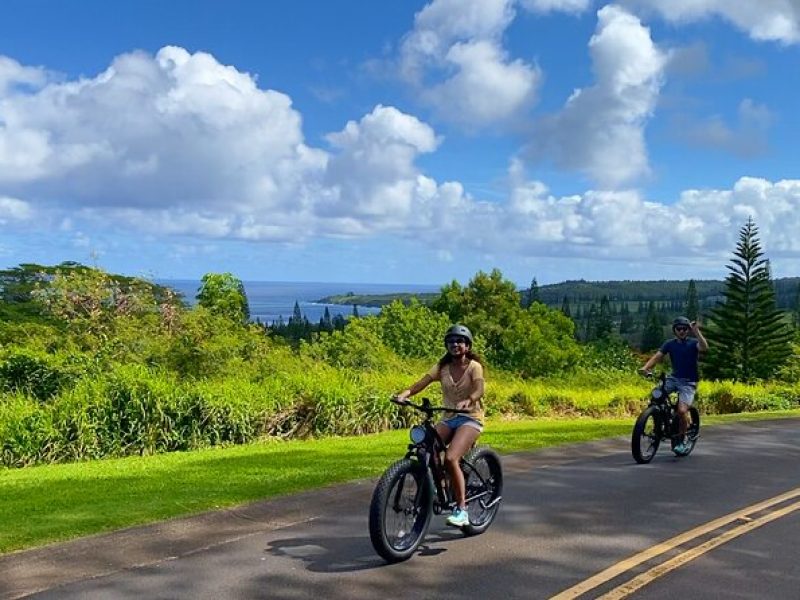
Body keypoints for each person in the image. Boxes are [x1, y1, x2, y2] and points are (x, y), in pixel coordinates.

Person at [393, 324, 485, 527]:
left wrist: (469, 400)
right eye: (451, 341)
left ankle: (462, 509)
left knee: (451, 457)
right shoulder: (442, 367)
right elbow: (420, 383)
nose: (455, 345)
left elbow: (479, 389)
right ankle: (440, 487)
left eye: (460, 341)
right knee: (426, 449)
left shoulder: (473, 366)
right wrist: (404, 395)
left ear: (467, 346)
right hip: (449, 417)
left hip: (471, 418)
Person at [639, 316, 709, 452]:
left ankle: (682, 440)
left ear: (687, 330)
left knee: (682, 411)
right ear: (674, 330)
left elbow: (704, 347)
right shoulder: (669, 344)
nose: (682, 331)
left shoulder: (693, 343)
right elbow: (657, 356)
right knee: (656, 396)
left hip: (689, 382)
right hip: (673, 379)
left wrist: (696, 331)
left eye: (684, 329)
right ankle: (659, 423)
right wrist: (646, 368)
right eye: (679, 329)